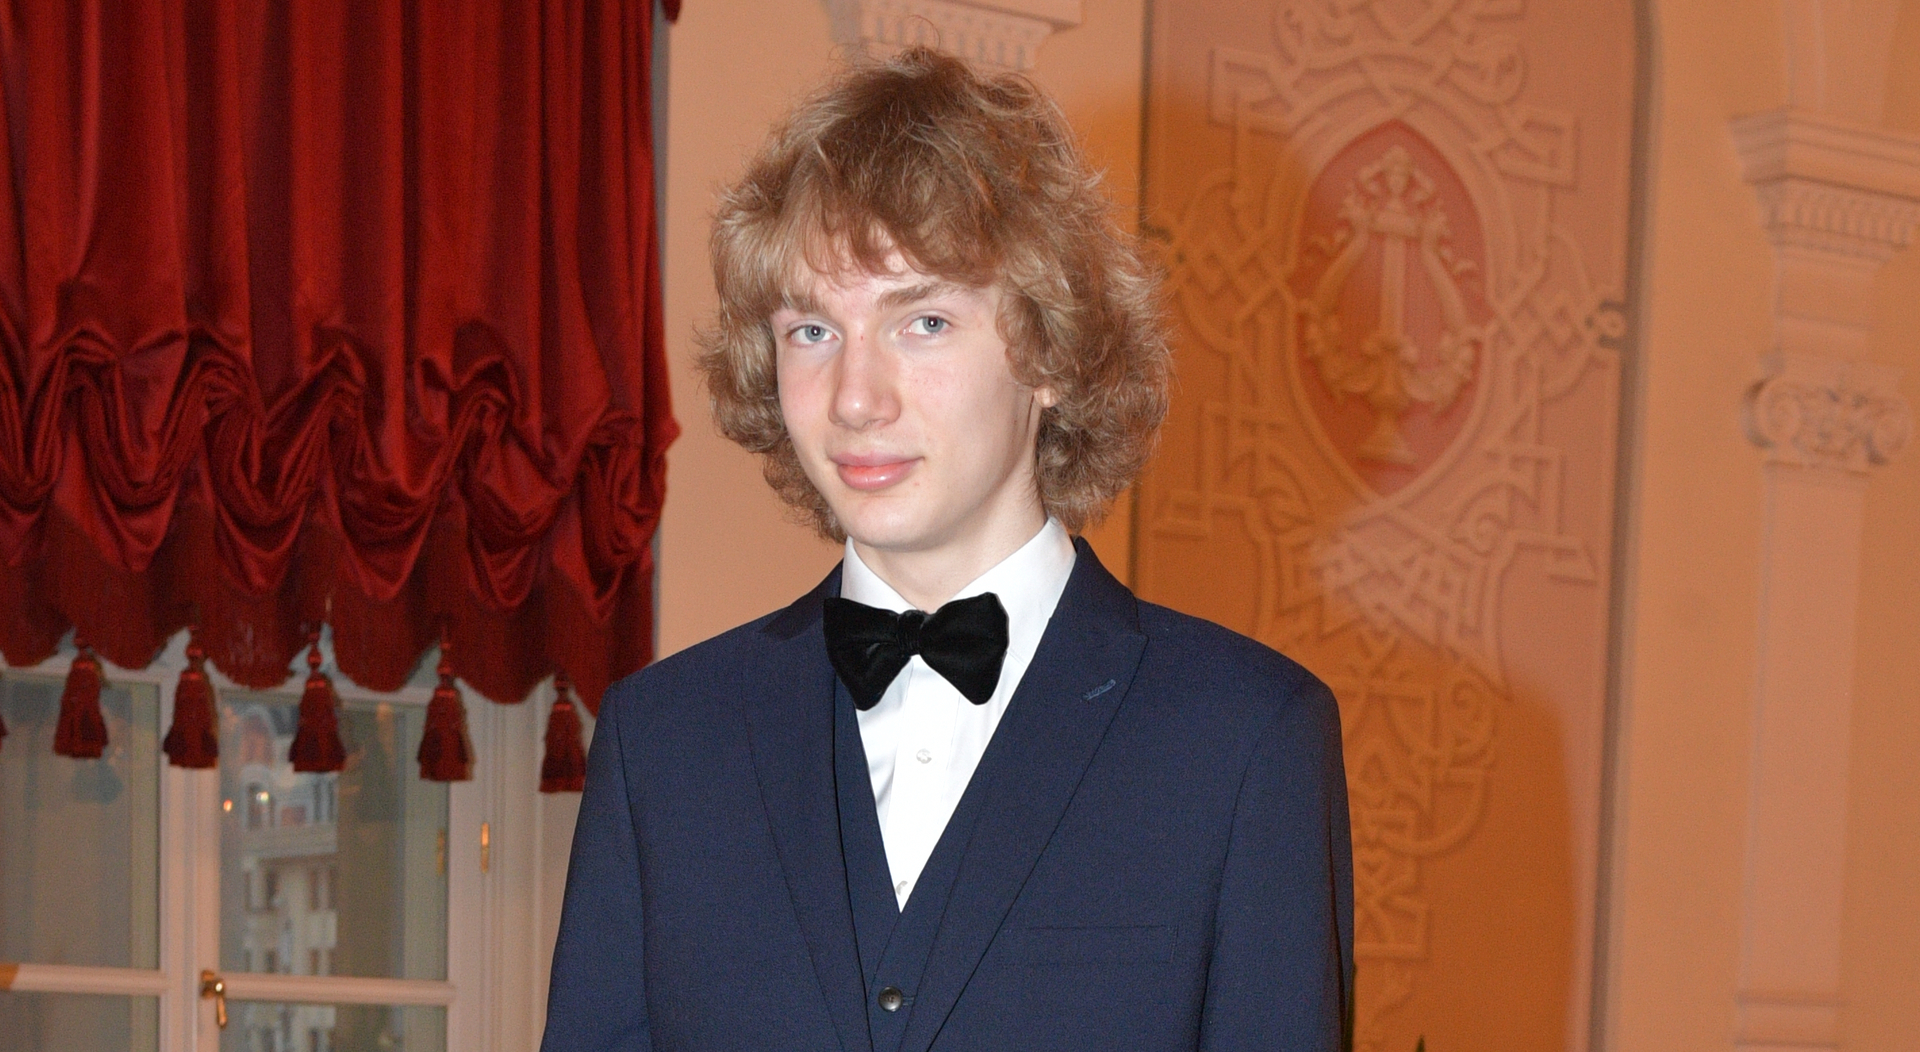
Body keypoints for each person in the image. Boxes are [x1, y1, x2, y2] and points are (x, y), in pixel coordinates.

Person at [542, 46, 1352, 1052]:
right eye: (811, 331)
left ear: (1050, 353)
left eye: (922, 321)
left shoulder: (1246, 738)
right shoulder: (663, 743)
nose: (854, 398)